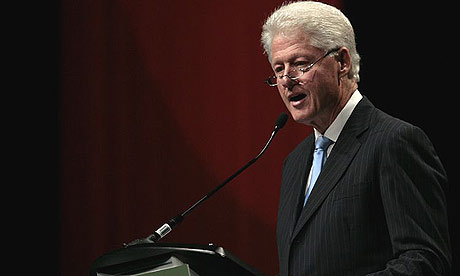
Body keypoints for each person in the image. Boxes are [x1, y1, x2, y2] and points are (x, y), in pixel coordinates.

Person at [260, 1, 451, 275]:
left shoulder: (394, 142)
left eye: (300, 64)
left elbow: (425, 261)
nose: (287, 80)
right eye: (279, 69)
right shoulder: (295, 162)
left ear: (342, 62)